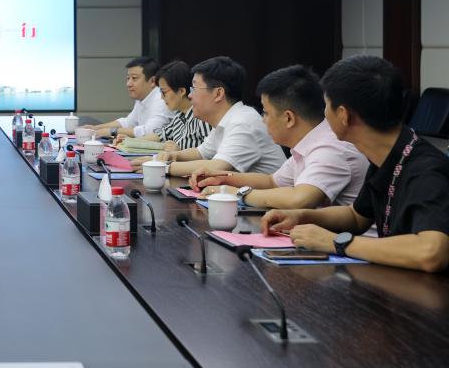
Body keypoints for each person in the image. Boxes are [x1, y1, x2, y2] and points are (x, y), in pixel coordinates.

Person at [262, 56, 449, 272]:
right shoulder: (385, 155)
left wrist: (335, 242)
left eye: (326, 105)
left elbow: (431, 252)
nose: (323, 115)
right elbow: (356, 216)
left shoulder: (426, 169)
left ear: (343, 115)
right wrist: (302, 216)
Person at [189, 64, 367, 209]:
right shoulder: (309, 142)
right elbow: (272, 181)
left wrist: (234, 193)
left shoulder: (330, 147)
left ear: (288, 118)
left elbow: (299, 199)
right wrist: (224, 177)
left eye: (266, 112)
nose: (263, 120)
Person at [154, 56, 286, 178]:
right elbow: (201, 152)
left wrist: (163, 167)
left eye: (194, 89)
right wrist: (173, 155)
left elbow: (216, 167)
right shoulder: (226, 120)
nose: (190, 95)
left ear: (218, 94)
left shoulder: (243, 122)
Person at [83, 57, 174, 140]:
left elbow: (149, 131)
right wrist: (97, 128)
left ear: (152, 81)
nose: (128, 84)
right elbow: (128, 122)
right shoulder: (142, 97)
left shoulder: (161, 100)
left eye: (134, 78)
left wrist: (111, 131)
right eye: (128, 78)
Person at [141, 60, 211, 150]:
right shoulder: (178, 117)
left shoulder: (203, 119)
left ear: (181, 91)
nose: (161, 97)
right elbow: (160, 135)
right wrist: (129, 142)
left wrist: (179, 152)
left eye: (164, 92)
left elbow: (211, 153)